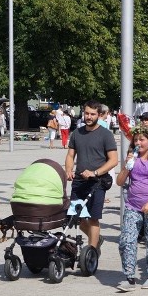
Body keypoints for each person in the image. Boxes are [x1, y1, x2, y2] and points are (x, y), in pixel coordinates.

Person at [114, 127, 148, 291]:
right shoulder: (132, 159)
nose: (138, 143)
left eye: (142, 139)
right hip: (133, 205)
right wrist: (126, 166)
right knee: (127, 240)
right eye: (136, 140)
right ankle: (129, 277)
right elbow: (119, 182)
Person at [65, 100, 118, 251]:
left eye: (92, 114)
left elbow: (113, 160)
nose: (89, 117)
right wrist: (68, 169)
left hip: (97, 182)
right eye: (86, 113)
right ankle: (96, 238)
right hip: (79, 181)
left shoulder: (105, 135)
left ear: (99, 115)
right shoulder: (77, 133)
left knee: (93, 218)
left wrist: (95, 172)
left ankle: (91, 252)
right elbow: (70, 155)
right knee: (78, 218)